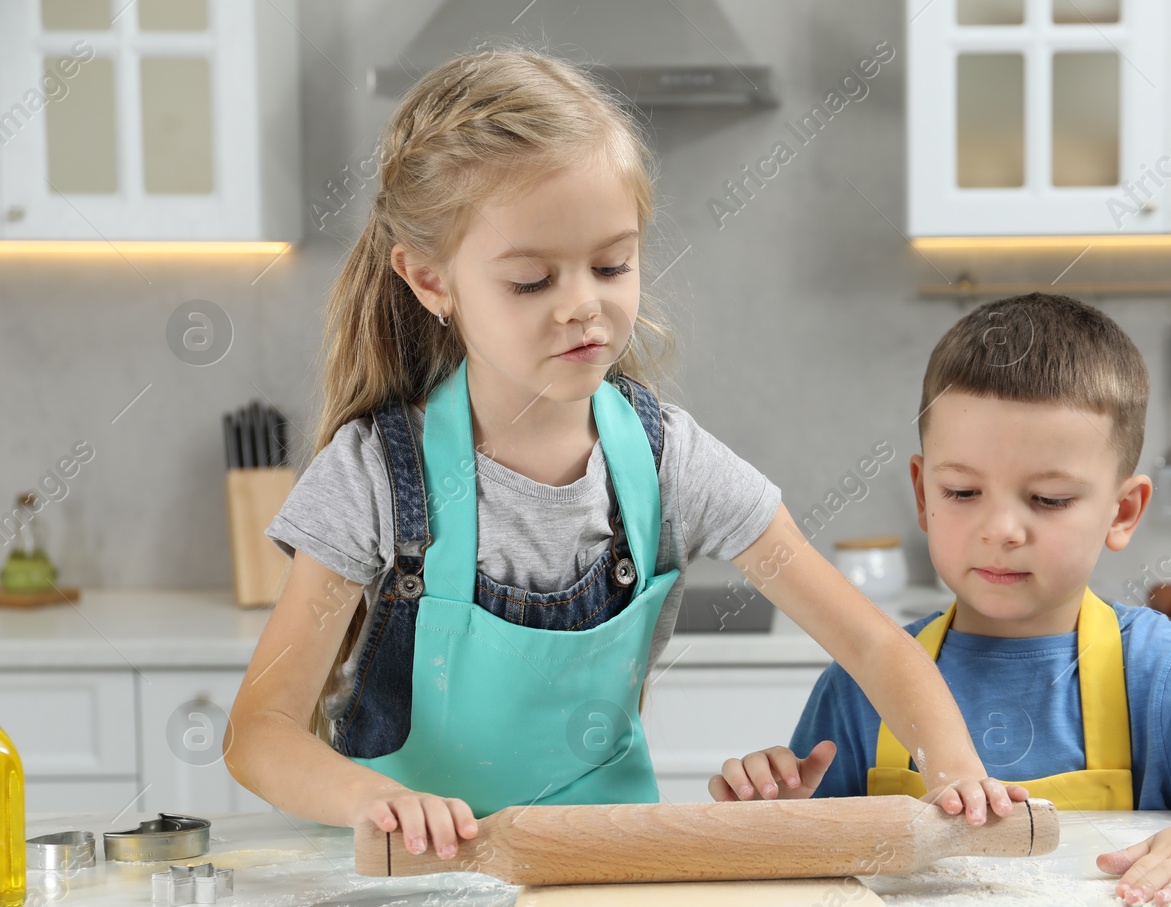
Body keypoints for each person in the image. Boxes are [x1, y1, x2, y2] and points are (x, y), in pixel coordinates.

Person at [224, 48, 1021, 862]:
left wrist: (956, 771)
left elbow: (875, 644)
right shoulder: (373, 479)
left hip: (600, 871)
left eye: (612, 264)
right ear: (431, 281)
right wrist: (376, 800)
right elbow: (260, 732)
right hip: (401, 886)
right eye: (532, 281)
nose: (585, 306)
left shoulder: (670, 462)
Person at [711, 293, 1171, 907]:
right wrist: (778, 810)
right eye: (962, 492)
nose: (1001, 528)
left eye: (1048, 499)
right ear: (922, 494)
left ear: (1123, 511)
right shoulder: (863, 686)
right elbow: (803, 878)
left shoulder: (1156, 672)